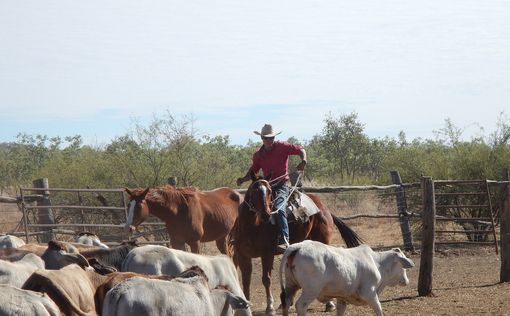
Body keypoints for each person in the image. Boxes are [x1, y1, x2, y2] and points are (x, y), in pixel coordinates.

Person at [236, 123, 307, 251]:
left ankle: (285, 239)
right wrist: (243, 179)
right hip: (266, 186)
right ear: (262, 138)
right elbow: (254, 169)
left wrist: (304, 161)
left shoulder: (283, 146)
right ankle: (241, 236)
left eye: (271, 138)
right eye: (266, 138)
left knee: (279, 209)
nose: (269, 140)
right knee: (247, 207)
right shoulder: (258, 155)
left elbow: (300, 149)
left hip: (281, 185)